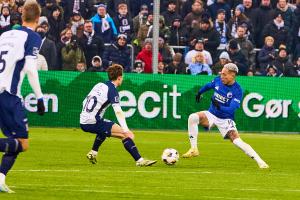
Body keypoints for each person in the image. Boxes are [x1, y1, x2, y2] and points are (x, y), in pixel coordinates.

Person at [182, 63, 269, 169]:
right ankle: (194, 149)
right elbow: (209, 85)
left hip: (226, 120)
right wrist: (200, 92)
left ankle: (260, 162)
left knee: (237, 141)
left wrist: (220, 108)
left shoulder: (237, 90)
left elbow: (231, 109)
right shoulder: (218, 80)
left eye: (225, 74)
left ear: (232, 75)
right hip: (211, 114)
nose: (222, 76)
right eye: (221, 74)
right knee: (193, 117)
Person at [0, 0, 45, 193]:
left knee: (15, 140)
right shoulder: (32, 37)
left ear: (22, 15)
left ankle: (0, 179)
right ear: (38, 18)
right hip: (9, 95)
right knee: (23, 144)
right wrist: (40, 97)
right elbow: (30, 69)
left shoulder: (4, 34)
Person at [80, 64, 157, 167]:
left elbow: (84, 101)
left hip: (85, 119)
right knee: (123, 135)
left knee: (105, 128)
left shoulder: (99, 85)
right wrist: (126, 129)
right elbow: (118, 112)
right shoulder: (112, 90)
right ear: (119, 77)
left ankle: (93, 152)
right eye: (122, 76)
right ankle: (140, 160)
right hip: (92, 122)